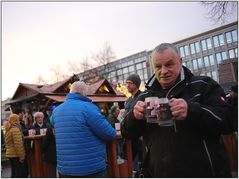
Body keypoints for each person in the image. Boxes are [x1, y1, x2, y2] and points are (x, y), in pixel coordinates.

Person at [121, 43, 235, 177]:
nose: (163, 71)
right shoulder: (145, 96)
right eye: (158, 66)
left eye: (169, 64)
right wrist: (134, 117)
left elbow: (230, 121)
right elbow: (126, 132)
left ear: (180, 62)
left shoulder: (203, 85)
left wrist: (191, 110)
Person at [52, 81, 116, 177]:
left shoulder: (56, 111)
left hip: (65, 169)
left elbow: (55, 127)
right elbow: (110, 133)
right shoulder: (89, 108)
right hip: (89, 169)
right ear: (85, 93)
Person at [124, 73, 143, 171]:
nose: (127, 85)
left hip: (140, 138)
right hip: (129, 136)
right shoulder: (128, 100)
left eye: (130, 83)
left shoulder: (142, 96)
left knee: (141, 163)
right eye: (126, 83)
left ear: (136, 84)